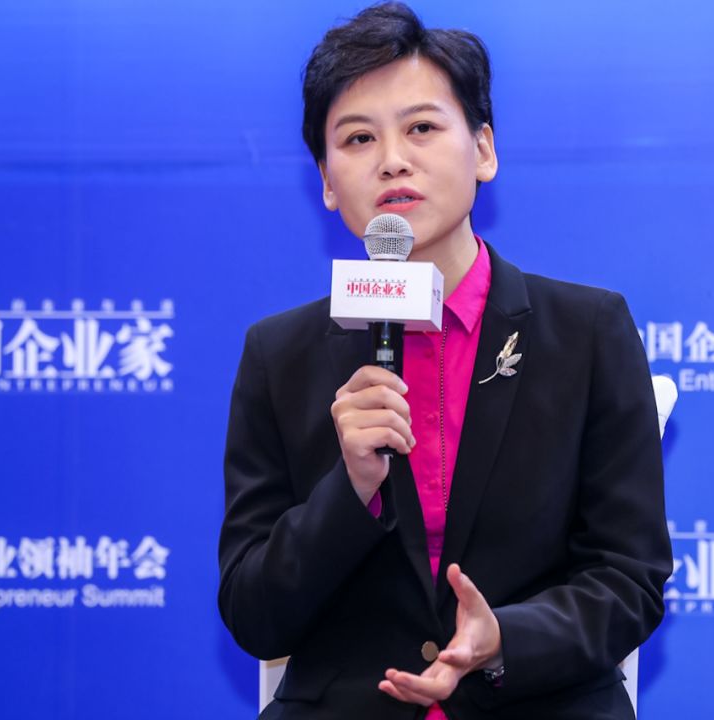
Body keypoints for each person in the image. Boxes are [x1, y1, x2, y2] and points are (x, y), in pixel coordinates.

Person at [218, 4, 672, 718]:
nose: (392, 159)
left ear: (483, 149)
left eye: (422, 128)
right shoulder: (280, 355)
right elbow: (254, 615)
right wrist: (351, 489)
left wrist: (505, 639)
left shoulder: (587, 332)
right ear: (327, 181)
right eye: (358, 138)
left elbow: (628, 578)